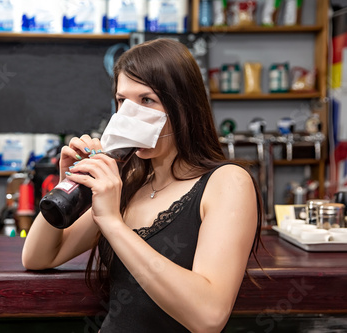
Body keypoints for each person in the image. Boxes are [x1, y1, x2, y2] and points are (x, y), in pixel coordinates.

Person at [22, 38, 263, 332]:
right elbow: (38, 257)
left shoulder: (226, 183)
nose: (129, 116)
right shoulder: (128, 183)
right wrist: (67, 188)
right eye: (123, 101)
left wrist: (112, 222)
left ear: (183, 106)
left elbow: (208, 316)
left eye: (147, 100)